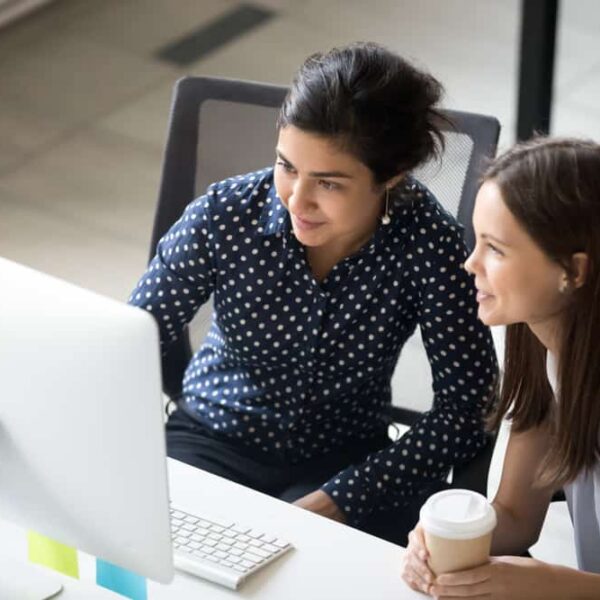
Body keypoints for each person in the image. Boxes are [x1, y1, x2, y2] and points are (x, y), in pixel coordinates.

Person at [129, 42, 497, 545]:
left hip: (346, 460)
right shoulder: (225, 214)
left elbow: (470, 406)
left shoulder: (427, 243)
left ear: (391, 176)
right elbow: (129, 341)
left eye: (328, 183)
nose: (297, 200)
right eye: (287, 166)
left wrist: (347, 495)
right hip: (212, 438)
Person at [401, 137, 600, 598]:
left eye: (496, 249)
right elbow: (513, 518)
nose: (470, 263)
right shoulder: (545, 348)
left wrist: (552, 584)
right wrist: (435, 545)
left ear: (573, 270)